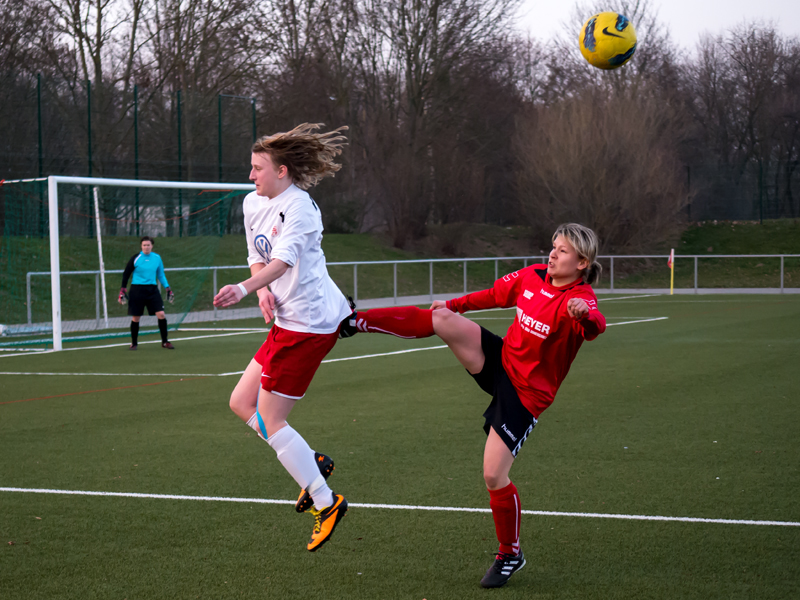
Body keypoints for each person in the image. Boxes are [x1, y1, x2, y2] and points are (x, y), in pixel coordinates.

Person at [343, 223, 607, 588]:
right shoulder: (532, 276)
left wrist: (585, 315)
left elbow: (595, 326)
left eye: (562, 251)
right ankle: (355, 320)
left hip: (527, 394)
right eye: (553, 246)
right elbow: (494, 295)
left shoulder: (579, 299)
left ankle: (510, 554)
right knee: (442, 319)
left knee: (493, 475)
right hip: (500, 360)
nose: (552, 254)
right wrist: (451, 304)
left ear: (582, 262)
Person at [213, 123, 356, 552]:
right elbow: (259, 259)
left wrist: (243, 289)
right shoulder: (251, 203)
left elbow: (281, 262)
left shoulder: (301, 209)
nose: (250, 176)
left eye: (257, 168)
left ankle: (326, 502)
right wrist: (260, 293)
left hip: (309, 325)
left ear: (282, 171)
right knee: (241, 402)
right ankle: (310, 462)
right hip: (285, 321)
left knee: (273, 420)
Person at [118, 236, 175, 350]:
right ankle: (134, 343)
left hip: (152, 290)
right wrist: (122, 290)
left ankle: (165, 342)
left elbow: (160, 275)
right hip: (137, 290)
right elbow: (126, 273)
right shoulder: (136, 258)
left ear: (152, 246)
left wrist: (167, 288)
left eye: (148, 245)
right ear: (141, 246)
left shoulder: (157, 258)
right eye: (144, 245)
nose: (146, 247)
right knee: (136, 317)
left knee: (161, 314)